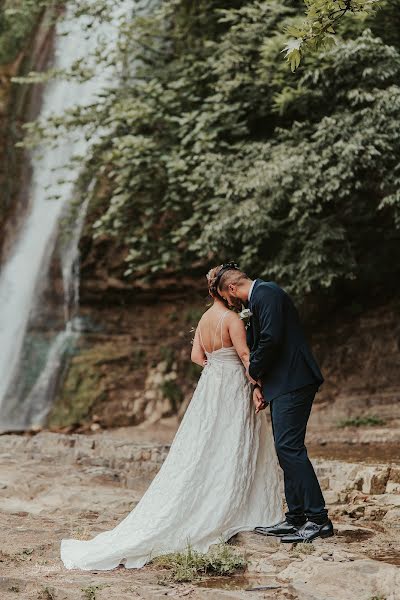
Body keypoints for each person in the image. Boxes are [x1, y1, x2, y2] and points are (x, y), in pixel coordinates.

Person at [60, 266, 282, 571]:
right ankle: (234, 506)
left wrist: (216, 365)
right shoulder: (231, 319)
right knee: (232, 441)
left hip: (211, 386)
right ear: (223, 291)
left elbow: (196, 357)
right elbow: (246, 356)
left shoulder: (205, 320)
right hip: (233, 386)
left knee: (207, 442)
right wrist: (256, 385)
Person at [217, 263, 333, 543]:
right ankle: (295, 518)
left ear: (232, 288)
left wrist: (253, 370)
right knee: (285, 450)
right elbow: (262, 340)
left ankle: (318, 519)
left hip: (294, 379)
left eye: (226, 296)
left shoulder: (267, 293)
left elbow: (271, 339)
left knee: (290, 448)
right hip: (283, 382)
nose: (228, 303)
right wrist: (260, 384)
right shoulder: (258, 299)